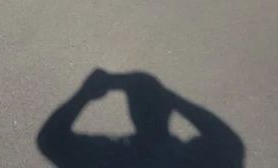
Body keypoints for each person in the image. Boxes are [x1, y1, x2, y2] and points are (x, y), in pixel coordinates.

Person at [36, 68, 244, 168]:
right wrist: (172, 98)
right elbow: (228, 143)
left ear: (133, 113)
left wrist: (84, 95)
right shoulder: (189, 161)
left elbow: (50, 140)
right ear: (167, 109)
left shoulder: (113, 156)